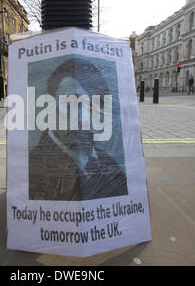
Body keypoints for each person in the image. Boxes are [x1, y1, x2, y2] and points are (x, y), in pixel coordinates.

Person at [29, 57, 128, 201]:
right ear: (50, 107)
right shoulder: (32, 171)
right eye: (72, 103)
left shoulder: (113, 169)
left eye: (95, 105)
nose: (83, 118)